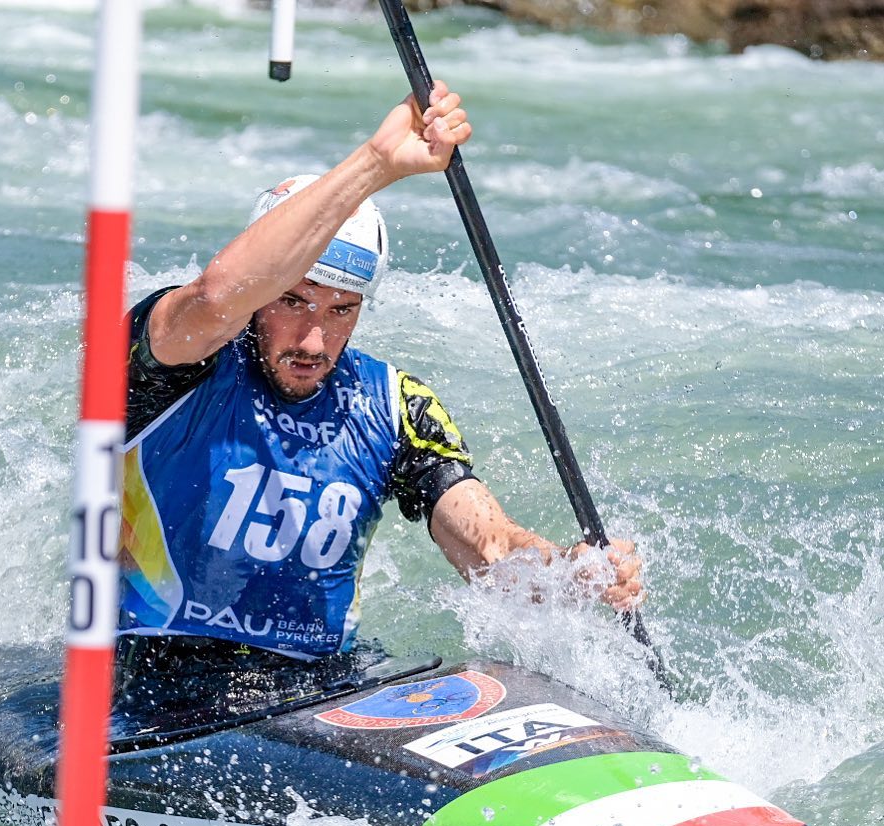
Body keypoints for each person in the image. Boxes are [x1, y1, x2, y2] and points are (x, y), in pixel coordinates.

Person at [115, 82, 642, 719]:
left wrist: (568, 575)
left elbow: (490, 548)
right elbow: (216, 293)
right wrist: (378, 163)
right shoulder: (177, 360)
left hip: (324, 686)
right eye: (292, 300)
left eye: (342, 310)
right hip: (157, 685)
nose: (314, 338)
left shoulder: (394, 406)